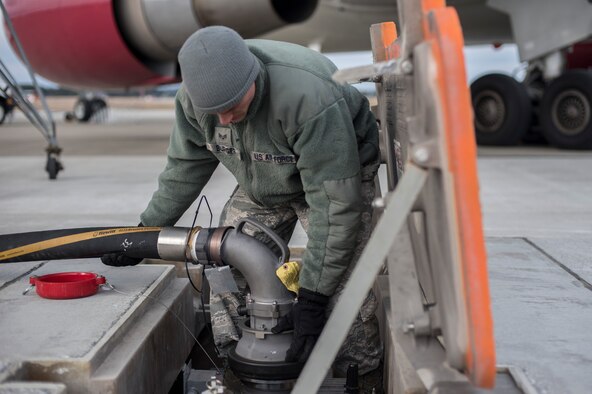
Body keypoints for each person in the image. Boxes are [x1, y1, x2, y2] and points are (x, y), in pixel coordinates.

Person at [102, 26, 382, 386]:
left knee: (345, 290)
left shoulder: (307, 97)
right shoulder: (194, 101)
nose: (223, 120)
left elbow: (334, 208)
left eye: (232, 107)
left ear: (253, 77)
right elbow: (184, 167)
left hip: (338, 176)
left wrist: (312, 298)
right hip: (266, 179)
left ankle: (358, 376)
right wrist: (144, 232)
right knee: (223, 264)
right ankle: (237, 368)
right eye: (213, 112)